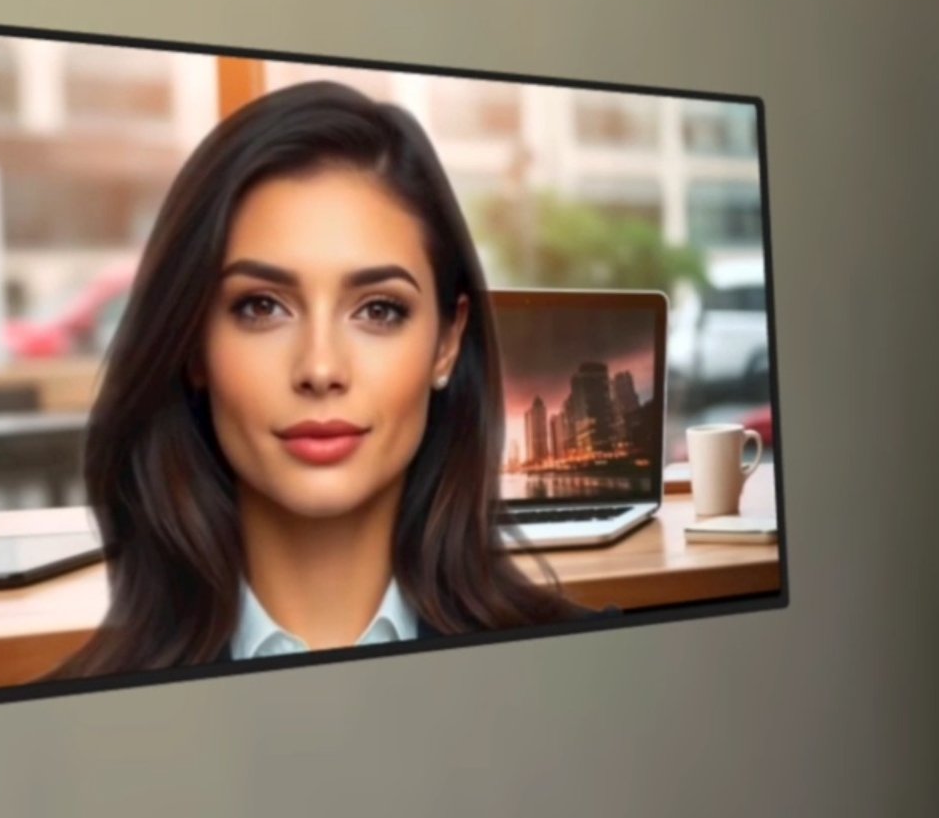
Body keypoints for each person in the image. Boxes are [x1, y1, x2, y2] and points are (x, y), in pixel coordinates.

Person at [49, 81, 586, 681]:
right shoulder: (70, 712)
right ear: (193, 346)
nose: (321, 369)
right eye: (261, 307)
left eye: (379, 310)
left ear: (447, 343)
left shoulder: (587, 680)